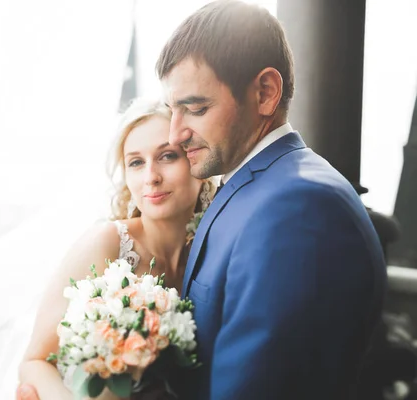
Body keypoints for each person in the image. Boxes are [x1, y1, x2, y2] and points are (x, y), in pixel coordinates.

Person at [155, 0, 387, 399]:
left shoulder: (299, 209)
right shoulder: (261, 185)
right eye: (171, 110)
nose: (175, 134)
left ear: (265, 92)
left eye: (195, 108)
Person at [16, 98, 215, 399]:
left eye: (168, 156)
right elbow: (34, 362)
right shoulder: (107, 243)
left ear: (197, 164)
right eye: (136, 162)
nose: (151, 177)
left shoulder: (213, 250)